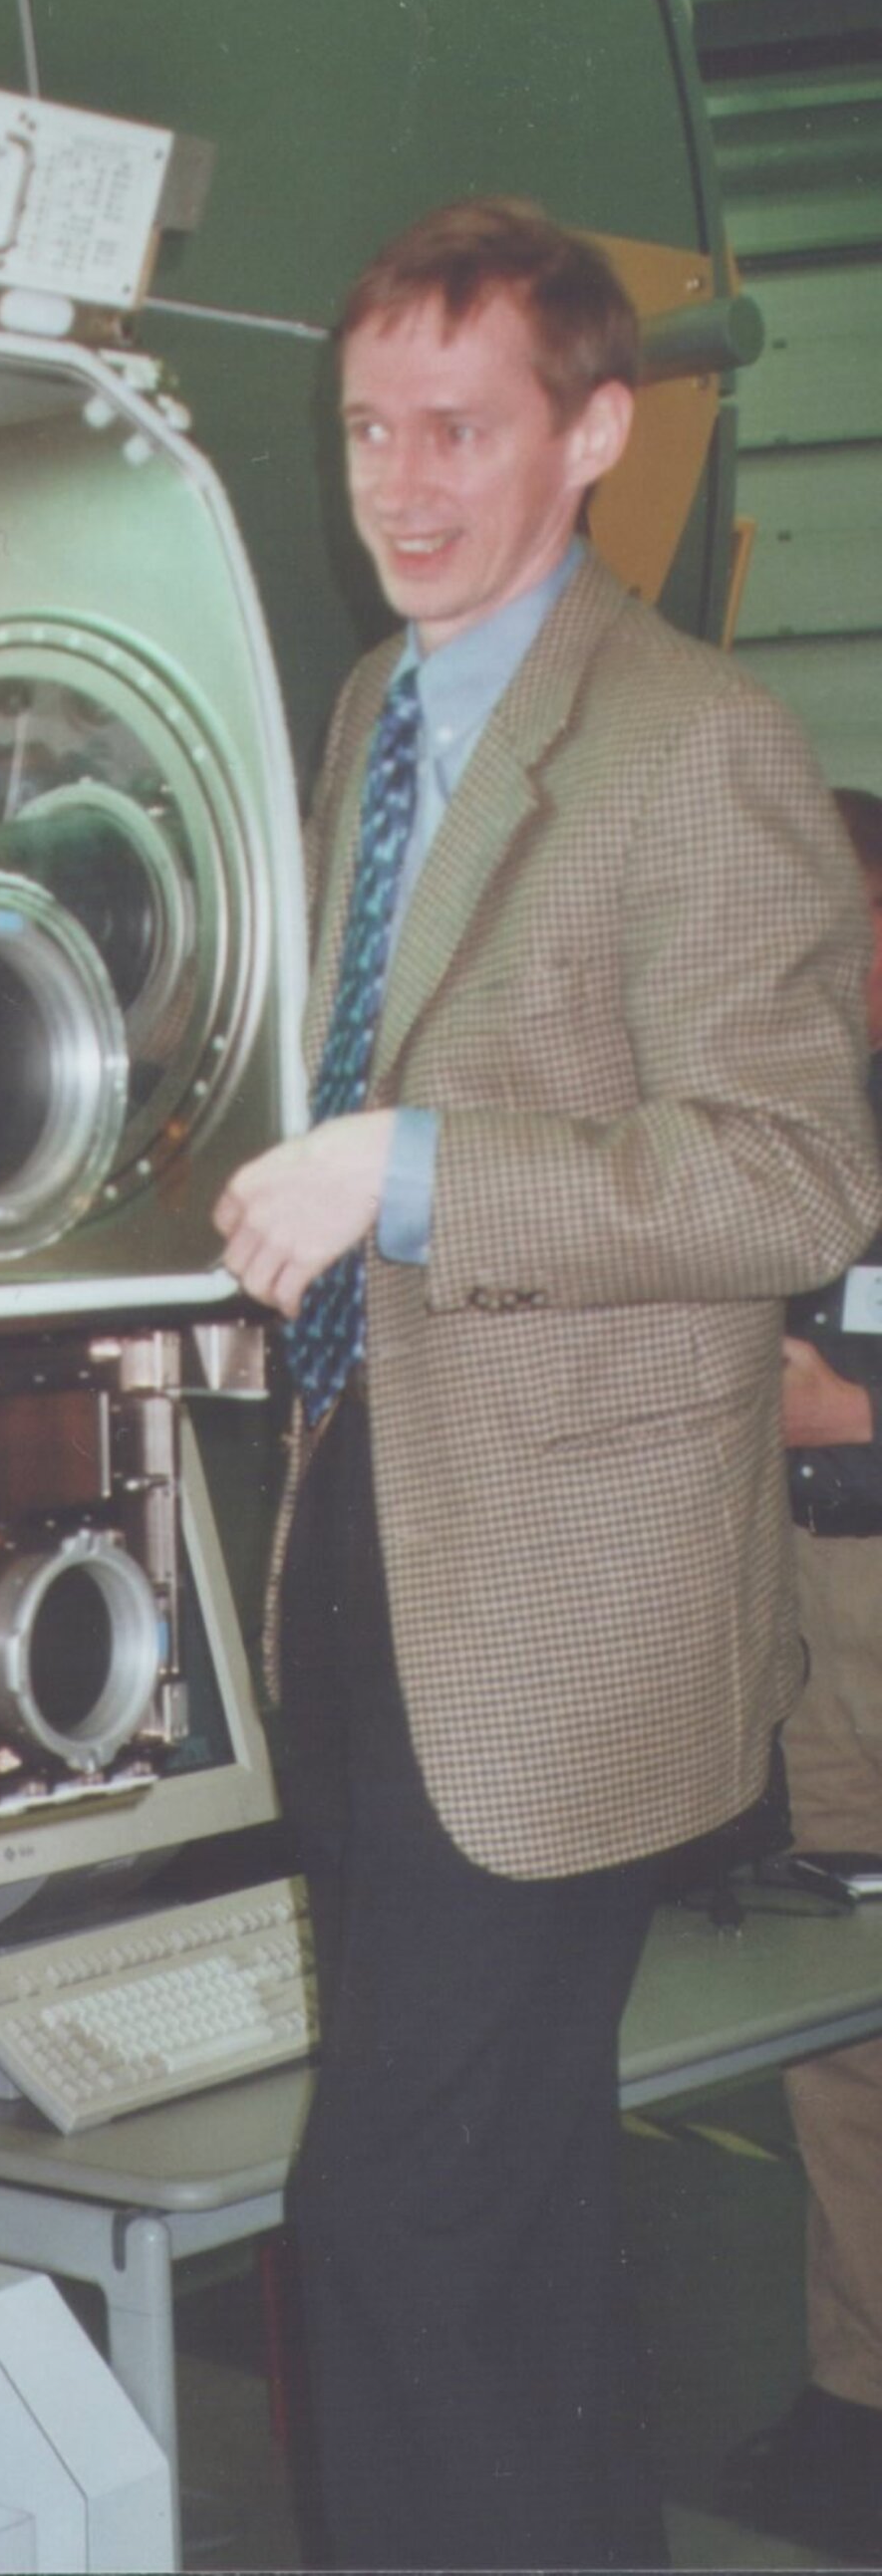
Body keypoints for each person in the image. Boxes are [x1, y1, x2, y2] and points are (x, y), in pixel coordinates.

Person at [211, 196, 882, 2572]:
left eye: (460, 429)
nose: (399, 482)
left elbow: (791, 1173)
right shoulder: (377, 714)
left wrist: (412, 1171)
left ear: (598, 432)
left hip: (570, 1618)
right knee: (499, 2228)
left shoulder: (705, 740)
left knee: (399, 2212)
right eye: (370, 428)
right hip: (370, 1541)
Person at [726, 786, 882, 2561]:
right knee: (843, 2042)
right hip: (807, 1603)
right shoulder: (776, 1117)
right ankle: (859, 2398)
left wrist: (862, 1411)